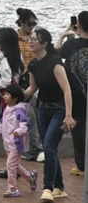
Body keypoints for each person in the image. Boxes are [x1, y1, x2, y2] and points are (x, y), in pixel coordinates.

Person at [23, 28, 76, 201]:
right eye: (30, 39)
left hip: (60, 109)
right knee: (49, 146)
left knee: (48, 146)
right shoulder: (33, 64)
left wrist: (68, 115)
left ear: (44, 43)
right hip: (43, 109)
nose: (31, 42)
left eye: (35, 39)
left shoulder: (55, 63)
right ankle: (59, 188)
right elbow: (32, 88)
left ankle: (48, 187)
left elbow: (67, 90)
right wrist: (14, 97)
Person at [0, 84, 38, 197]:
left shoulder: (19, 110)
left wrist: (19, 131)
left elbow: (25, 124)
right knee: (15, 165)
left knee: (10, 165)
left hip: (17, 143)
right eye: (5, 94)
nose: (4, 96)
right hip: (8, 142)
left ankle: (12, 188)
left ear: (15, 98)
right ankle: (31, 177)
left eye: (7, 94)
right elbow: (2, 124)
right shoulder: (7, 109)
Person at [55, 11, 88, 178]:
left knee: (78, 130)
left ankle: (82, 165)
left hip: (76, 94)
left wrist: (63, 34)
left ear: (78, 25)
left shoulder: (71, 45)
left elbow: (55, 53)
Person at [14, 8, 44, 163]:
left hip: (36, 80)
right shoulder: (14, 39)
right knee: (29, 117)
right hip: (22, 82)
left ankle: (37, 149)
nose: (31, 26)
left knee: (39, 115)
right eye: (28, 24)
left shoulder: (35, 38)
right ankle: (35, 150)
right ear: (20, 22)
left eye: (34, 23)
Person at [0, 28, 25, 121]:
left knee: (7, 123)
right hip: (17, 94)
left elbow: (7, 81)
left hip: (9, 97)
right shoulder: (18, 57)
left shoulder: (5, 61)